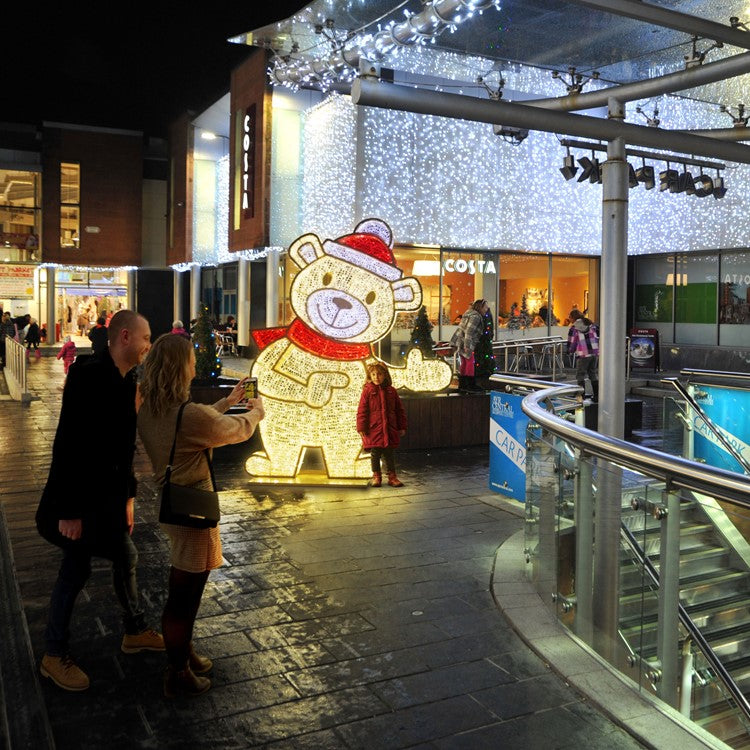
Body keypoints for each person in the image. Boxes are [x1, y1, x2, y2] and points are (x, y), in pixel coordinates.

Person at [36, 309, 162, 692]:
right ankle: (53, 655)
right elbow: (69, 444)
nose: (148, 346)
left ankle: (134, 630)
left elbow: (123, 450)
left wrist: (127, 499)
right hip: (78, 503)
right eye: (145, 338)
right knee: (75, 570)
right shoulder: (88, 375)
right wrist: (69, 511)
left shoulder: (128, 382)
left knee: (126, 556)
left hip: (106, 501)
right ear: (125, 337)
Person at [137, 333, 265, 697]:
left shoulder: (152, 408)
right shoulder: (188, 415)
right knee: (184, 596)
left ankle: (184, 650)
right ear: (181, 367)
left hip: (173, 505)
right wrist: (253, 413)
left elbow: (195, 426)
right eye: (191, 360)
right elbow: (231, 432)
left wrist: (227, 401)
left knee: (185, 589)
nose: (195, 365)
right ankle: (177, 673)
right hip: (193, 511)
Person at [357, 362, 407, 487]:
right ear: (369, 376)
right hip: (374, 429)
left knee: (389, 453)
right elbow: (362, 410)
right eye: (373, 374)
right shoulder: (367, 391)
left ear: (385, 375)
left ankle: (392, 476)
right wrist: (362, 427)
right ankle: (376, 476)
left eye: (379, 374)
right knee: (375, 453)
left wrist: (401, 426)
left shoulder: (391, 391)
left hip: (389, 428)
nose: (376, 377)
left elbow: (399, 410)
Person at [450, 299, 489, 393]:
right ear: (481, 307)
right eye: (485, 307)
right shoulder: (475, 317)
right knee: (470, 362)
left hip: (460, 342)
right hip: (466, 343)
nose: (486, 309)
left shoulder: (468, 314)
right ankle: (470, 384)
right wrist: (467, 346)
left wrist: (454, 342)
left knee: (464, 363)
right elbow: (469, 331)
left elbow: (460, 329)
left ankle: (463, 384)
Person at [567, 309, 599, 401]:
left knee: (580, 375)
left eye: (570, 317)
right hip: (594, 352)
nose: (569, 319)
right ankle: (597, 395)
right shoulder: (590, 325)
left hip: (583, 354)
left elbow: (572, 342)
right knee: (592, 373)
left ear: (573, 318)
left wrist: (570, 351)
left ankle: (581, 395)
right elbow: (596, 337)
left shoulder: (574, 328)